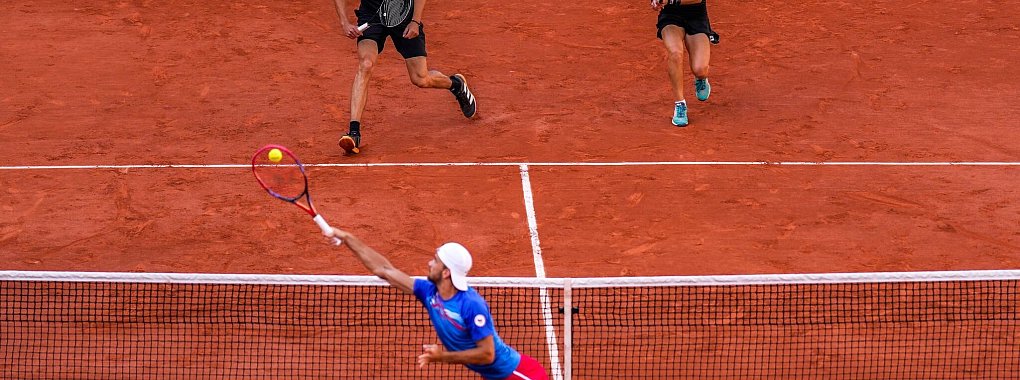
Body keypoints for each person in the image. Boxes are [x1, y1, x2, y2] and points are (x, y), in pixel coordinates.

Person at [324, 227, 549, 380]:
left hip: (519, 375)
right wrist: (347, 238)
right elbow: (384, 270)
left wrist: (442, 356)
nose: (429, 262)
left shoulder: (471, 305)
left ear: (446, 272)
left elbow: (487, 354)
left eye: (435, 260)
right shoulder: (429, 292)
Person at [332, 0, 478, 155]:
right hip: (372, 16)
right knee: (366, 64)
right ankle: (354, 133)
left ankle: (456, 84)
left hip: (403, 16)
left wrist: (415, 21)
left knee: (420, 78)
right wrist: (345, 23)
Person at [652, 0, 719, 127]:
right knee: (675, 53)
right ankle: (680, 104)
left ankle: (701, 78)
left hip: (696, 15)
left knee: (700, 69)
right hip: (670, 16)